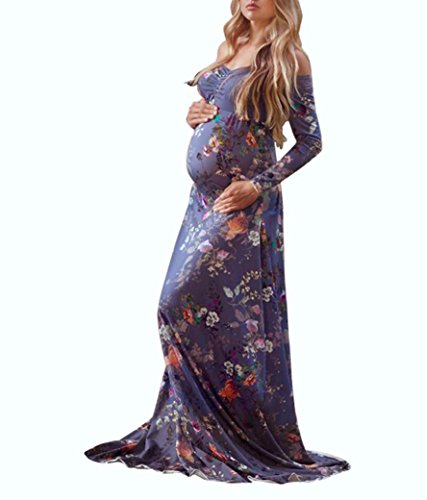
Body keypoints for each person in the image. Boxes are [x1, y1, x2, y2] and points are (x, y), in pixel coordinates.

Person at [84, 0, 351, 483]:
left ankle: (230, 430)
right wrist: (197, 117)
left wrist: (258, 185)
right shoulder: (233, 44)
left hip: (242, 207)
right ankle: (196, 426)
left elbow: (311, 141)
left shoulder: (290, 57)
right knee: (199, 311)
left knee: (177, 302)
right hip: (202, 201)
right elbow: (222, 112)